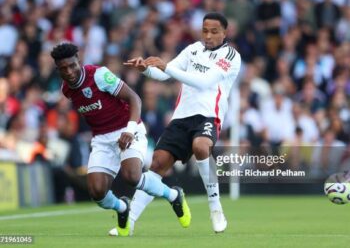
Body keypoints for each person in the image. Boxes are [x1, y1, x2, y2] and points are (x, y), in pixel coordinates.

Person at [110, 12, 241, 235]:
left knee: (201, 146)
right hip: (182, 116)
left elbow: (204, 82)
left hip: (209, 115)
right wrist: (147, 69)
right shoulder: (192, 50)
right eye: (205, 30)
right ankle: (129, 221)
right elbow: (164, 74)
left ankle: (215, 207)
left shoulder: (230, 56)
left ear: (224, 33)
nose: (208, 36)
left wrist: (166, 67)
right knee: (158, 164)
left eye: (214, 31)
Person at [50, 43, 191, 236]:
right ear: (58, 70)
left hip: (128, 128)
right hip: (101, 139)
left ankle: (174, 195)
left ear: (79, 61)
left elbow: (135, 99)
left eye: (72, 65)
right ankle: (122, 207)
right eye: (63, 69)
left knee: (132, 176)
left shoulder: (99, 76)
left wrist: (130, 130)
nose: (69, 71)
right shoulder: (66, 89)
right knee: (97, 192)